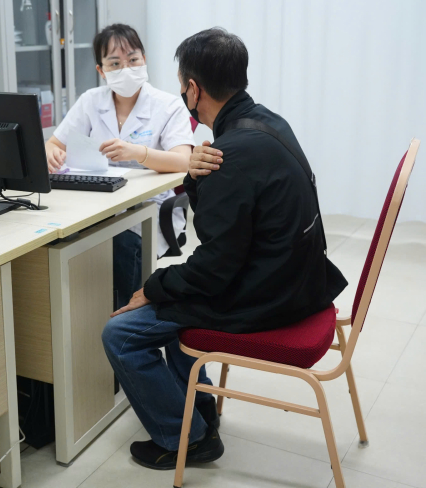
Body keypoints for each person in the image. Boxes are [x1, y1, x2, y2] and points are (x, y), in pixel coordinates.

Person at [101, 28, 348, 470]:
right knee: (175, 298)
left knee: (120, 333)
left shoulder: (229, 155)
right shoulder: (268, 123)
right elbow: (229, 231)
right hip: (300, 278)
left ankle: (188, 439)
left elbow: (214, 269)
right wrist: (195, 176)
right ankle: (200, 409)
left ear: (194, 90)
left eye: (183, 86)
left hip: (270, 296)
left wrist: (153, 287)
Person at [45, 24, 195, 310]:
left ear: (144, 60)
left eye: (133, 59)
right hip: (94, 203)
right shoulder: (91, 101)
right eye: (115, 63)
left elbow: (184, 161)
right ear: (101, 71)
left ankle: (124, 319)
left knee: (121, 245)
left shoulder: (168, 106)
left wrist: (139, 153)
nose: (126, 69)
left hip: (146, 208)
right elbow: (53, 143)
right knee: (64, 243)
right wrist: (52, 153)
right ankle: (84, 320)